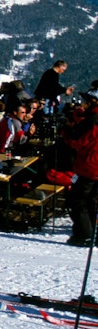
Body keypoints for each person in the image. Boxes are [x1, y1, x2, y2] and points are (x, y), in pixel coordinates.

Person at [63, 89, 98, 246]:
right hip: (93, 165)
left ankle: (84, 235)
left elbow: (76, 141)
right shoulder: (91, 118)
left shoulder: (92, 120)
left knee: (78, 201)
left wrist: (67, 129)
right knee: (91, 201)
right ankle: (90, 234)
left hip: (89, 166)